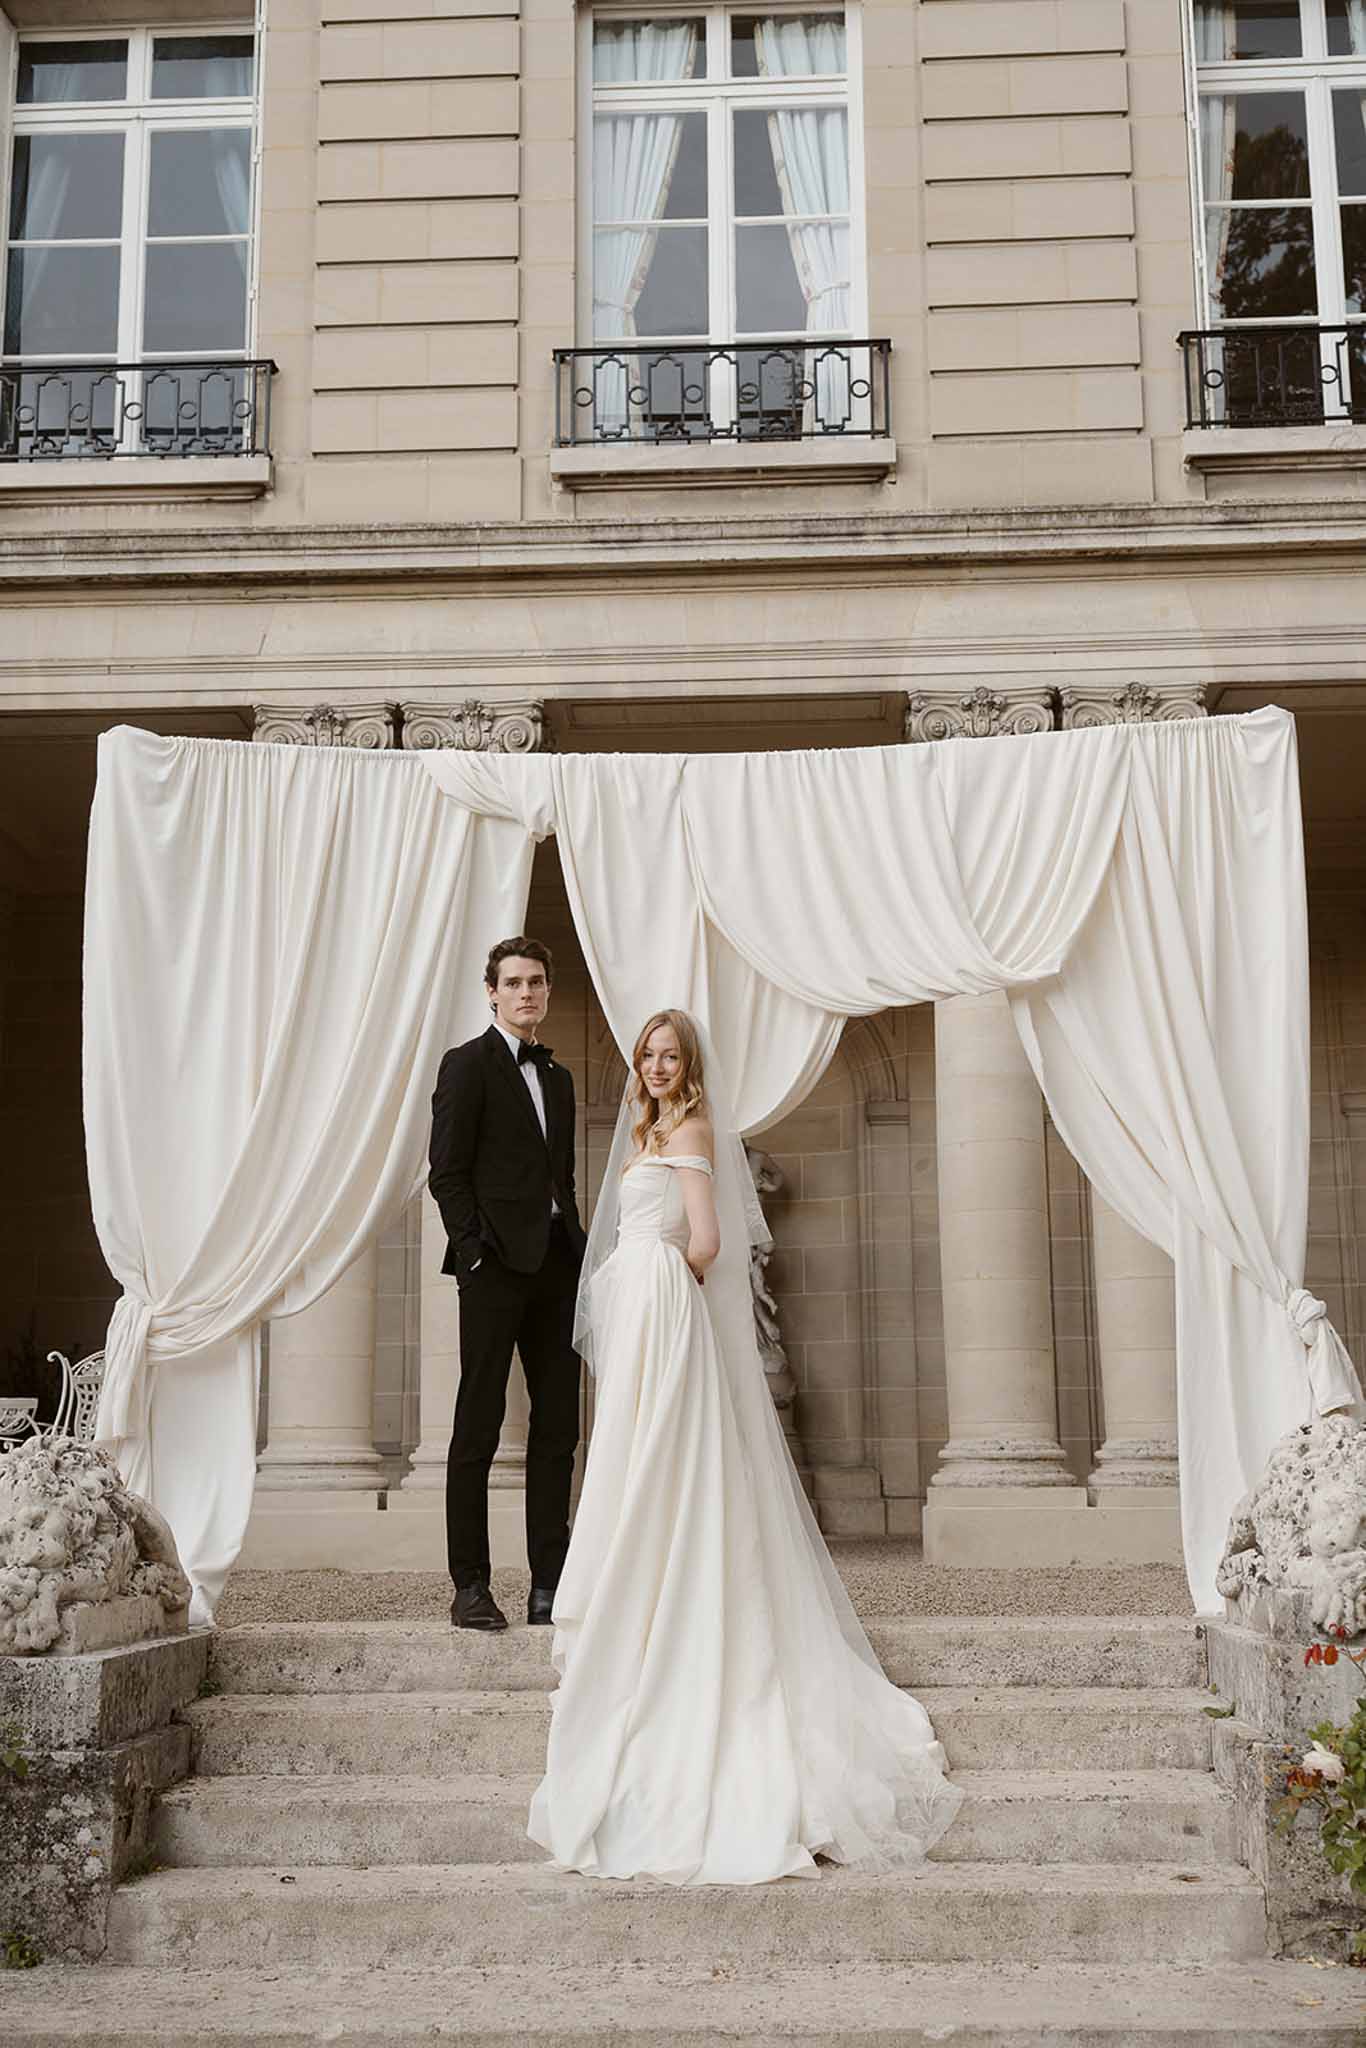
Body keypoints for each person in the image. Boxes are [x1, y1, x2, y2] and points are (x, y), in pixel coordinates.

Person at [528, 1008, 963, 1884]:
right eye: (647, 1055)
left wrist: (657, 1286)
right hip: (646, 1308)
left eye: (669, 1055)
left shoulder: (688, 1127)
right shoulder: (650, 1128)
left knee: (665, 1463)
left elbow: (711, 1239)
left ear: (689, 1065)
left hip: (666, 1301)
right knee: (634, 1465)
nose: (655, 1066)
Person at [428, 938, 586, 1631]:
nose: (526, 993)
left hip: (557, 1268)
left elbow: (563, 1181)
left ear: (548, 993)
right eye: (514, 982)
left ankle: (549, 1584)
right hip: (493, 1270)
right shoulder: (467, 1066)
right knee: (478, 1424)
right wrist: (475, 1254)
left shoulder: (560, 1079)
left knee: (558, 1429)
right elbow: (447, 1173)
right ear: (492, 992)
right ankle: (470, 1586)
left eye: (537, 982)